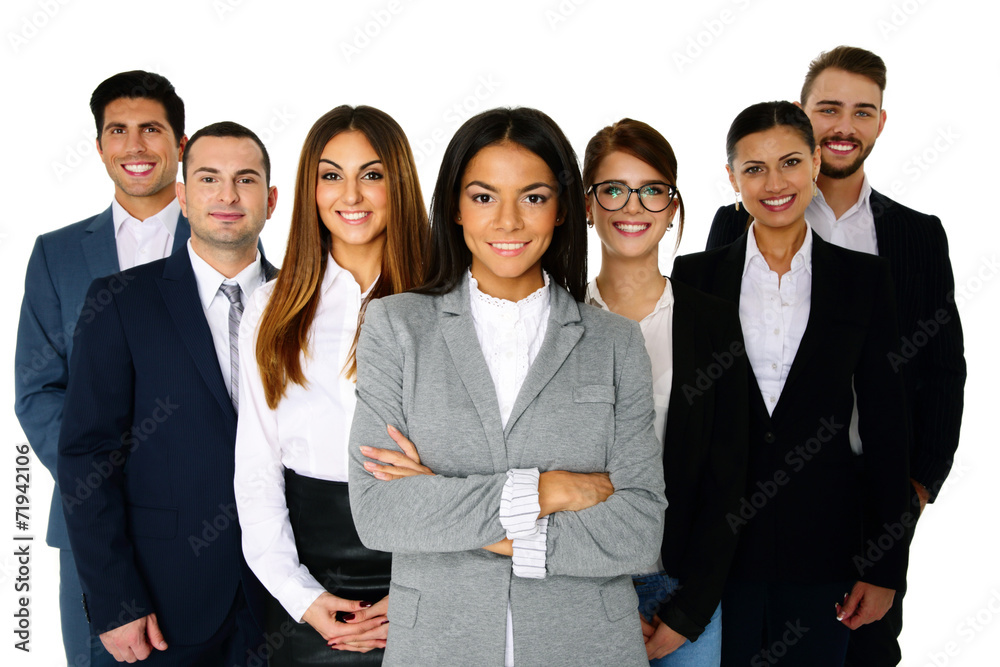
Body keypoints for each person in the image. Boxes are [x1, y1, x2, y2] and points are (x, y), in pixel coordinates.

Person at [346, 107, 666, 666]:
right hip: (441, 645)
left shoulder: (615, 342)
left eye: (534, 197)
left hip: (587, 645)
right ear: (454, 206)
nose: (509, 222)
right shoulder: (396, 327)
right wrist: (551, 490)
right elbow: (382, 512)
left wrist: (447, 501)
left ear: (564, 207)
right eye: (484, 196)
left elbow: (638, 532)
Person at [704, 47, 966, 666]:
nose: (845, 125)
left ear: (880, 122)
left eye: (862, 111)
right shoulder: (732, 226)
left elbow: (941, 368)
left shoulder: (914, 235)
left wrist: (917, 488)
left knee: (865, 651)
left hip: (870, 494)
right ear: (804, 116)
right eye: (828, 108)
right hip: (752, 499)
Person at [672, 101, 911, 666]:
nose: (773, 183)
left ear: (815, 165)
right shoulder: (693, 278)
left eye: (789, 163)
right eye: (753, 168)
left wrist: (884, 568)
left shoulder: (864, 282)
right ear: (731, 178)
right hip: (714, 559)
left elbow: (887, 428)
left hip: (825, 555)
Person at [57, 122, 277, 665]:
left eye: (245, 180)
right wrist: (114, 600)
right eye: (208, 179)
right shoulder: (120, 302)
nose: (227, 196)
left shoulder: (309, 302)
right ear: (182, 196)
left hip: (286, 601)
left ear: (270, 200)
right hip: (161, 602)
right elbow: (87, 457)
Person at [234, 105, 429, 665]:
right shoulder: (272, 308)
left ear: (400, 185)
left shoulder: (447, 300)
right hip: (308, 573)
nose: (352, 195)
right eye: (330, 175)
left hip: (427, 560)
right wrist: (302, 596)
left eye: (372, 174)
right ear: (309, 189)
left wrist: (422, 587)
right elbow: (256, 469)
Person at [14, 70, 189, 667]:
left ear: (180, 143)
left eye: (151, 129)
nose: (134, 146)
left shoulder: (227, 235)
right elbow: (38, 390)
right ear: (99, 147)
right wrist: (108, 467)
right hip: (93, 525)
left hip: (211, 518)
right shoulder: (57, 253)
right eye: (118, 130)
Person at [582, 118, 749, 665]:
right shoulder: (557, 320)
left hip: (684, 591)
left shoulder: (713, 321)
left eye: (652, 190)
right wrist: (600, 600)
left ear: (673, 206)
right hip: (580, 587)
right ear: (588, 205)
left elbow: (731, 479)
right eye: (613, 189)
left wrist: (691, 610)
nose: (634, 207)